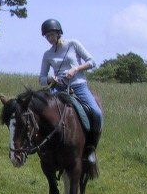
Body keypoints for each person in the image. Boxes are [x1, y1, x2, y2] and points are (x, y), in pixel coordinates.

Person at [39, 18, 103, 164]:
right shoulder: (47, 54)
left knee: (97, 113)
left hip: (78, 86)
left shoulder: (73, 44)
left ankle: (91, 148)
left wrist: (76, 69)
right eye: (47, 36)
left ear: (58, 33)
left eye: (51, 35)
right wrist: (51, 78)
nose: (49, 38)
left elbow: (92, 62)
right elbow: (41, 79)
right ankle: (45, 147)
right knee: (42, 112)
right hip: (58, 88)